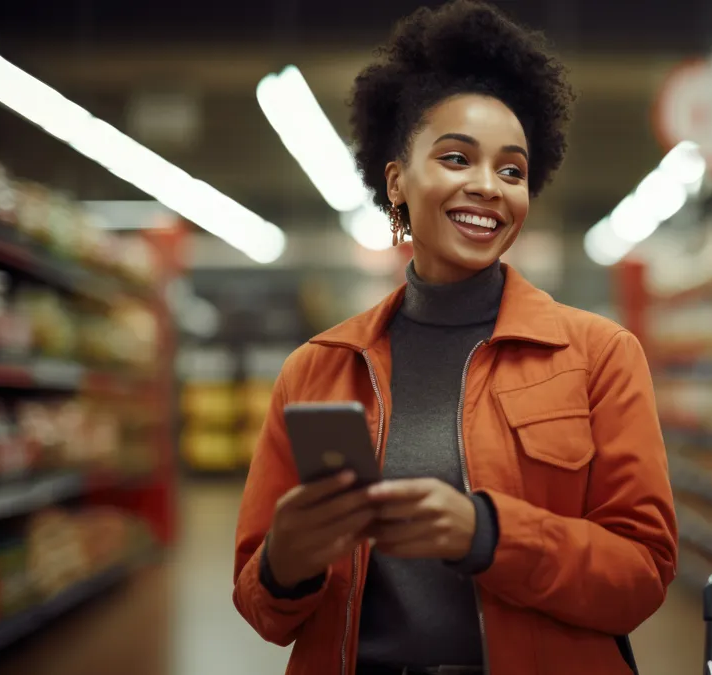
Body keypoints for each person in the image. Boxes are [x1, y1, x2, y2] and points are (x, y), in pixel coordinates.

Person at [232, 2, 678, 674]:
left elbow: (641, 573)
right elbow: (264, 609)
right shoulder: (318, 368)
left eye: (511, 170)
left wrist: (488, 534)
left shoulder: (598, 356)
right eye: (456, 157)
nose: (486, 187)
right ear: (397, 183)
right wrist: (284, 562)